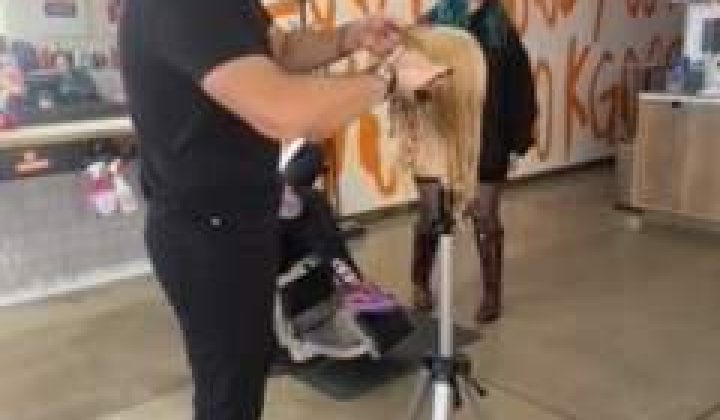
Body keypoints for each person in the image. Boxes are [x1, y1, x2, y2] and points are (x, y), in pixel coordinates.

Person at [118, 0, 448, 419]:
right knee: (229, 394)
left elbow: (279, 51)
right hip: (209, 232)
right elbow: (284, 112)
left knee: (248, 365)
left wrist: (350, 36)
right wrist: (388, 79)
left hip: (242, 215)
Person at [412, 0, 537, 323]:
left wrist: (517, 143)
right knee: (432, 215)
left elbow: (521, 87)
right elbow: (407, 81)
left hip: (488, 139)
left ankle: (492, 295)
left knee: (486, 218)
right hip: (437, 138)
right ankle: (420, 284)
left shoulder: (501, 29)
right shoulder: (432, 23)